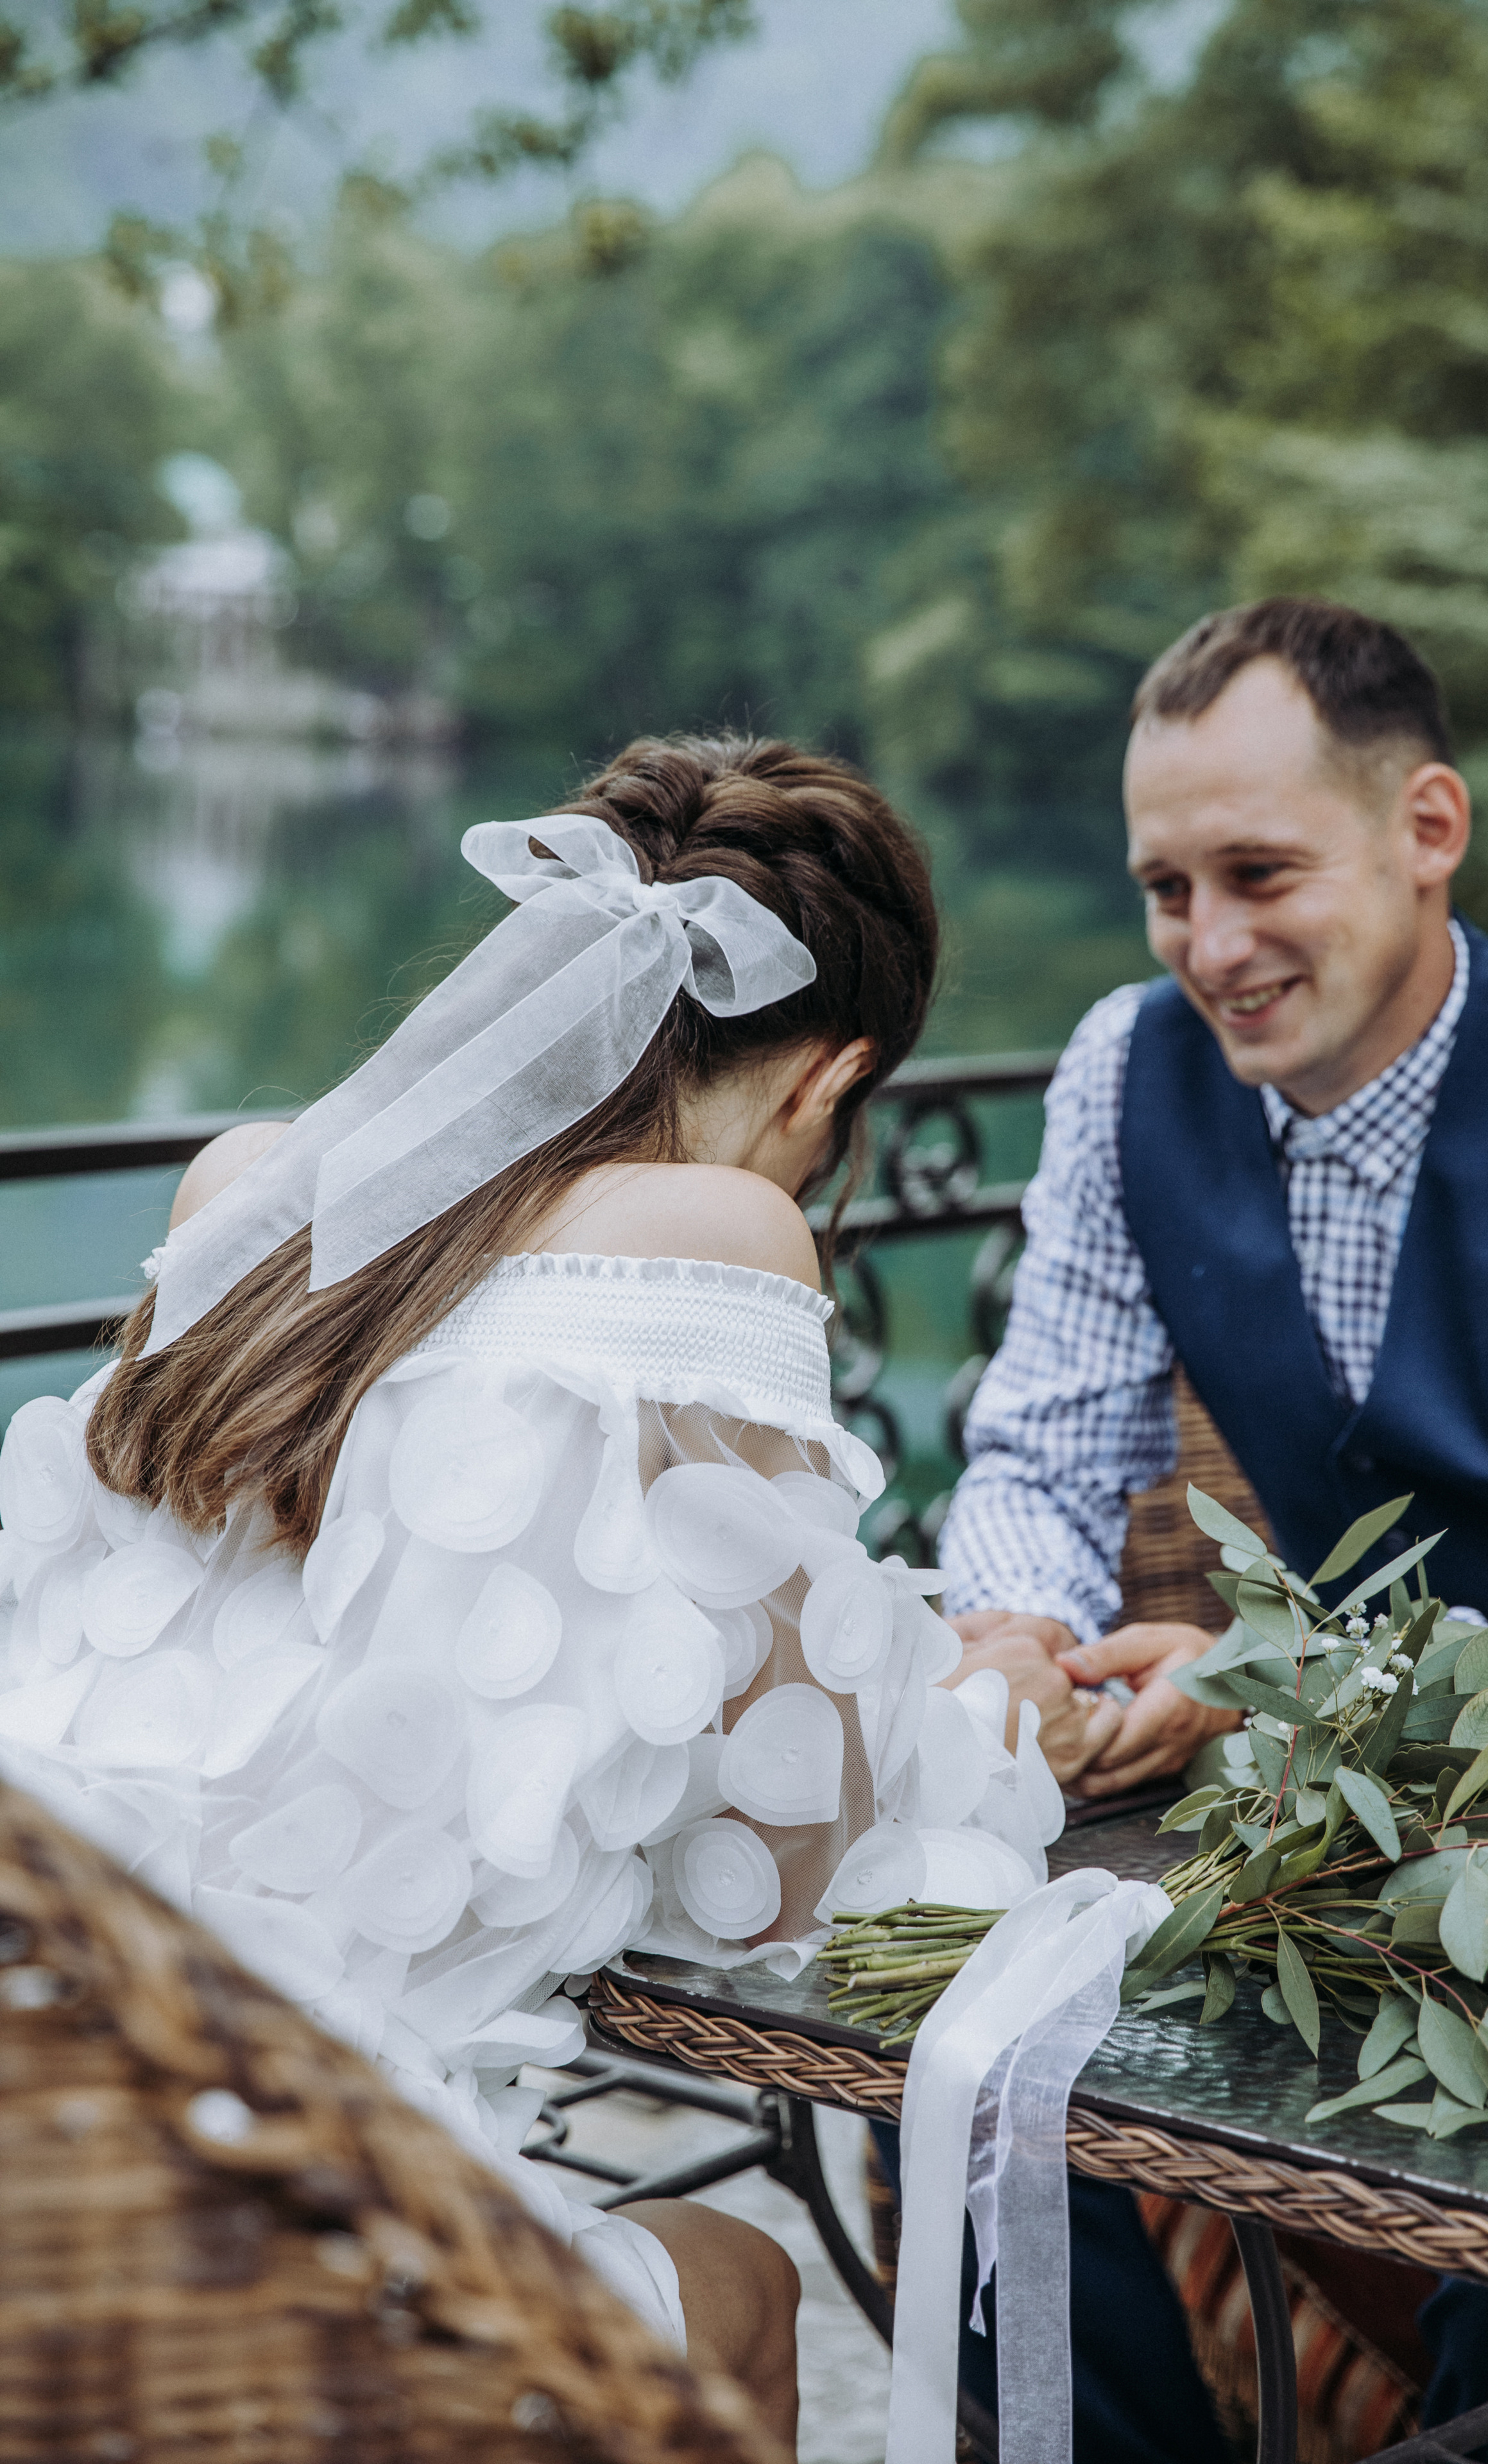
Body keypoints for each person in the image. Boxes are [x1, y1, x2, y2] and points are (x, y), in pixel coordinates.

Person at [0, 734, 1057, 2456]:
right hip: (242, 2171)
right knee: (747, 2286)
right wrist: (999, 1705)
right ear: (834, 1076)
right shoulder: (718, 1234)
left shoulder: (248, 1189)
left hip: (46, 2040)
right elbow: (781, 1872)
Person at [914, 597, 1488, 2459]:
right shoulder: (1123, 1069)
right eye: (1167, 890)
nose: (1210, 948)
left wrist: (1289, 1690)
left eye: (1259, 875)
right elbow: (1041, 1452)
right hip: (1292, 1828)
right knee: (966, 2040)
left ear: (1427, 828)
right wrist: (1020, 1637)